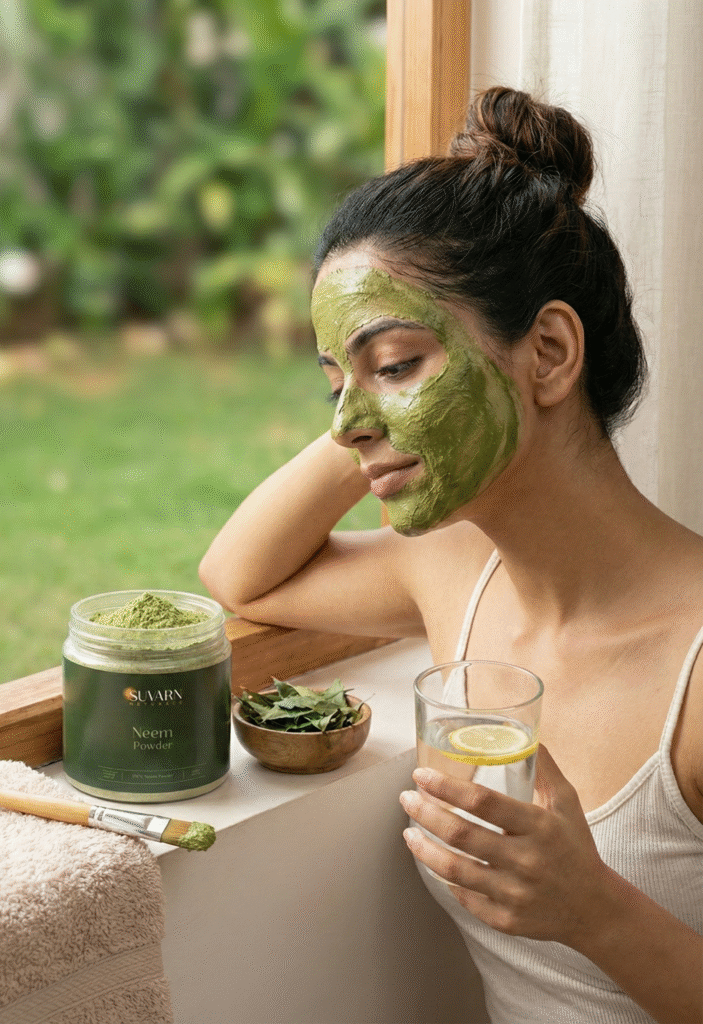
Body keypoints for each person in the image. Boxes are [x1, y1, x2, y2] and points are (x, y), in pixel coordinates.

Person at [200, 87, 703, 1024]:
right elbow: (240, 575)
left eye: (396, 364)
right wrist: (375, 394)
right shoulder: (454, 577)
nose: (344, 423)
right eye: (329, 384)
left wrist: (595, 912)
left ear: (549, 351)